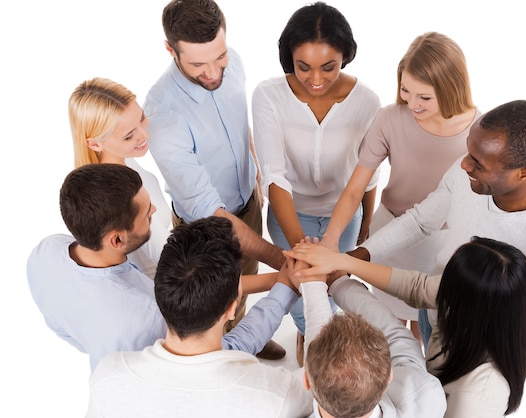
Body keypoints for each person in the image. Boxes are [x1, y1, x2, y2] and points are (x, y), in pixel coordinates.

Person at [345, 100, 526, 377]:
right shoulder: (470, 171)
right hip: (430, 314)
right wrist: (358, 257)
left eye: (478, 163)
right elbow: (421, 220)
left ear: (525, 173)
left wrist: (503, 362)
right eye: (468, 151)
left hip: (469, 358)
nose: (463, 163)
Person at [144, 0, 285, 359]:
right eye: (197, 64)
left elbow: (240, 125)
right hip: (206, 227)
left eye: (218, 56)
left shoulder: (231, 59)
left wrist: (254, 174)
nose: (211, 71)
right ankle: (222, 355)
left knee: (241, 285)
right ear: (169, 50)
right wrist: (282, 260)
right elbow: (213, 216)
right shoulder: (163, 115)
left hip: (247, 203)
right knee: (214, 298)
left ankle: (240, 333)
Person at [321, 32, 479, 340]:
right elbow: (355, 188)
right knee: (384, 328)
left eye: (424, 97)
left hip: (441, 246)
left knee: (428, 331)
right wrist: (331, 239)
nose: (412, 103)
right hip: (388, 236)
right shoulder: (389, 119)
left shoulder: (478, 133)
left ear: (450, 88)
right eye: (406, 90)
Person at [251, 1, 380, 366]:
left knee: (334, 290)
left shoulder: (367, 102)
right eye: (303, 67)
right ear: (287, 58)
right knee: (300, 288)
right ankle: (311, 339)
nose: (317, 79)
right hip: (289, 211)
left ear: (346, 57)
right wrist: (301, 251)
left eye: (329, 67)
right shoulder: (268, 96)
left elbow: (367, 173)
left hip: (345, 213)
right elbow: (274, 176)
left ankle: (321, 342)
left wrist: (367, 221)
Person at [86, 217, 312, 417]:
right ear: (232, 309)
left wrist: (286, 286)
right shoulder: (276, 395)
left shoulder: (109, 376)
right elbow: (327, 384)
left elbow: (232, 347)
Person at [286, 236, 526, 417]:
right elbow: (415, 292)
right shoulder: (425, 395)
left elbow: (397, 339)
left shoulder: (476, 399)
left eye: (446, 287)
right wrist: (340, 272)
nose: (437, 289)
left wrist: (316, 284)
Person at [26, 163, 167, 372]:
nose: (154, 209)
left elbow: (62, 327)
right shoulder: (146, 319)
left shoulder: (45, 251)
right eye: (147, 213)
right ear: (117, 239)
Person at [291, 254, 446, 417]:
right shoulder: (426, 396)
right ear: (389, 377)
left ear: (307, 381)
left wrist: (313, 287)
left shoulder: (279, 406)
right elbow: (398, 339)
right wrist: (338, 284)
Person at [69, 77, 172, 279]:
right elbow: (169, 262)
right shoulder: (118, 198)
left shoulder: (125, 162)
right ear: (95, 144)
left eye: (141, 118)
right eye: (128, 135)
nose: (144, 135)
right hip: (162, 292)